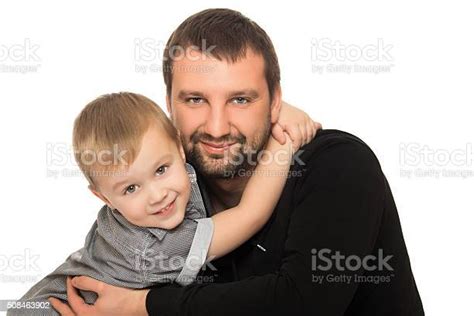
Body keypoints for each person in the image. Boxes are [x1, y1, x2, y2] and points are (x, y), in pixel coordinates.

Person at [50, 8, 424, 316]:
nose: (216, 127)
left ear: (275, 101)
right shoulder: (170, 189)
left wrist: (143, 306)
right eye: (195, 100)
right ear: (169, 105)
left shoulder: (339, 166)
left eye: (240, 100)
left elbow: (302, 305)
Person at [9, 92, 314, 315]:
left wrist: (275, 108)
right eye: (130, 188)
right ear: (103, 198)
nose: (157, 195)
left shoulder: (180, 168)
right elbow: (251, 214)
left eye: (160, 170)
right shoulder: (155, 246)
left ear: (180, 148)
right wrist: (282, 139)